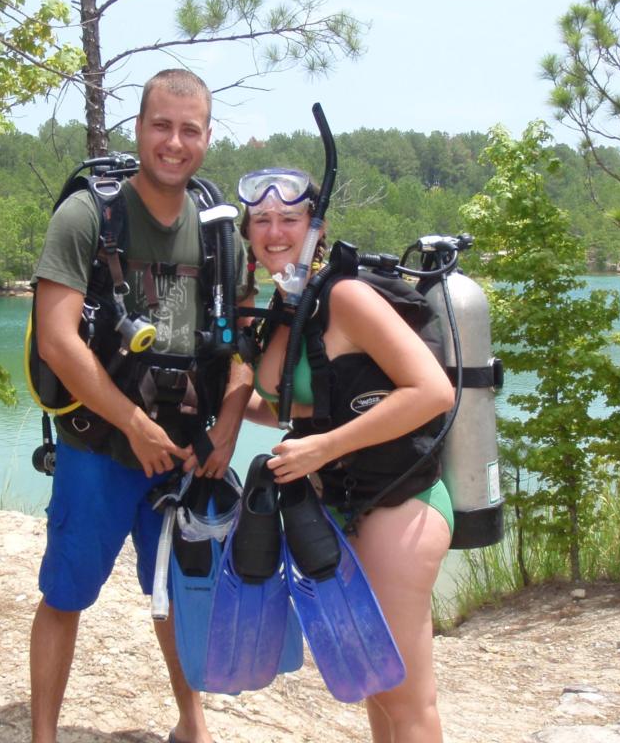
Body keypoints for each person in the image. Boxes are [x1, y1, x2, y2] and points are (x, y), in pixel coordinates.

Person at [28, 69, 251, 743]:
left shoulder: (219, 233)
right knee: (66, 593)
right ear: (139, 128)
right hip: (100, 446)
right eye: (162, 125)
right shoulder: (87, 218)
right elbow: (57, 339)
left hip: (184, 454)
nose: (174, 142)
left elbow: (242, 337)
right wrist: (132, 422)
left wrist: (232, 425)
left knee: (181, 595)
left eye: (190, 129)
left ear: (207, 138)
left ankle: (193, 725)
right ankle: (43, 735)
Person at [238, 168, 455, 743]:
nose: (275, 230)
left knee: (406, 698)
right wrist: (218, 408)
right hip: (343, 504)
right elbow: (304, 409)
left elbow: (433, 392)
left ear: (317, 228)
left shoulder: (347, 297)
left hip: (399, 504)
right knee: (372, 684)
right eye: (262, 219)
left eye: (290, 218)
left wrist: (323, 449)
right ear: (247, 231)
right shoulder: (292, 307)